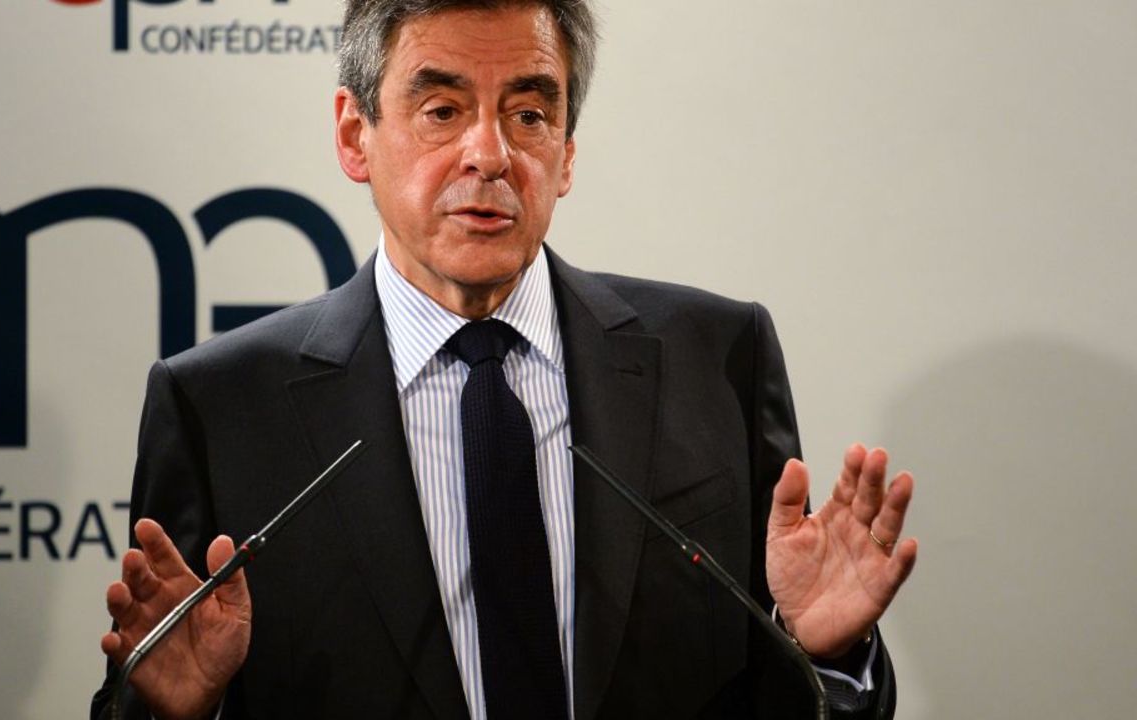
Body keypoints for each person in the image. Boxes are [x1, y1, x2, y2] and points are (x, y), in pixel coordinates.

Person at [92, 1, 918, 718]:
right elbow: (145, 692)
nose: (490, 155)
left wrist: (829, 660)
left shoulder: (717, 357)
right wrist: (174, 713)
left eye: (528, 115)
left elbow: (789, 703)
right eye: (443, 109)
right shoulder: (222, 407)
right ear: (354, 135)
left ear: (565, 151)